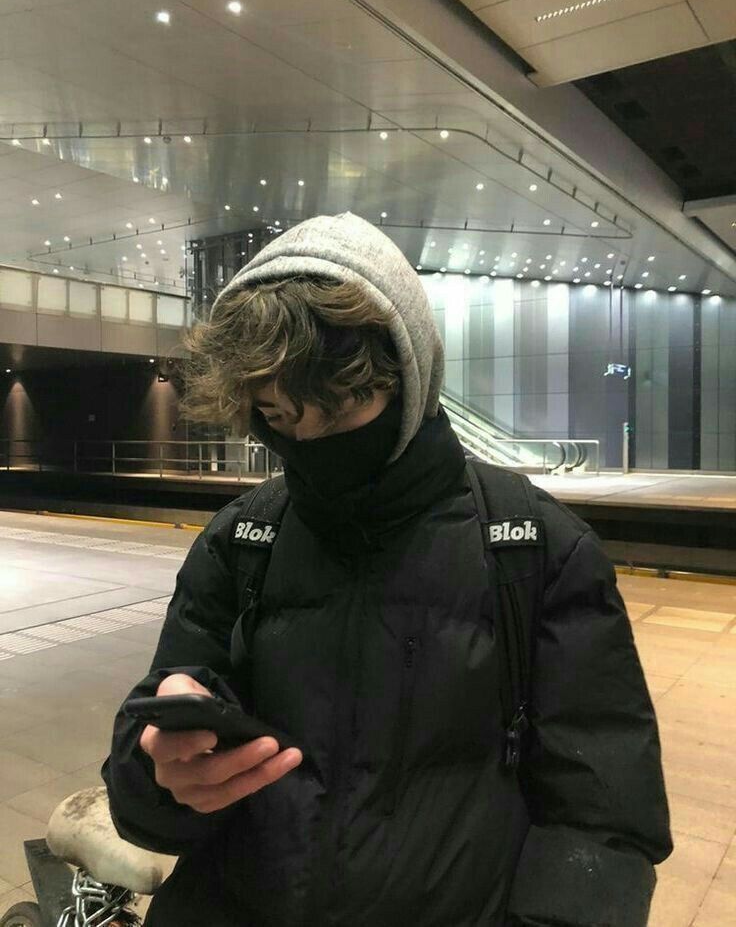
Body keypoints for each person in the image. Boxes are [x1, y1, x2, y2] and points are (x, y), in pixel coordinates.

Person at [103, 212, 672, 927]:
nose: (308, 442)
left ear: (408, 380)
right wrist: (161, 772)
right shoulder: (241, 540)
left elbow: (604, 821)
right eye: (281, 417)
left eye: (338, 411)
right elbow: (142, 778)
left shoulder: (536, 550)